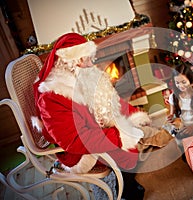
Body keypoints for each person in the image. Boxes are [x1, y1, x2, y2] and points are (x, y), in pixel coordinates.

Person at [32, 33, 146, 200]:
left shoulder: (85, 78)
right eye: (87, 60)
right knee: (128, 150)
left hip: (97, 130)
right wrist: (120, 136)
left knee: (135, 142)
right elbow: (75, 139)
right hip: (80, 151)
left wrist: (134, 116)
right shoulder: (52, 97)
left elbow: (112, 101)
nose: (92, 64)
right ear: (73, 62)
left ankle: (127, 183)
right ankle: (124, 191)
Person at [166, 62, 193, 148]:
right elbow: (173, 115)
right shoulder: (173, 97)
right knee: (182, 145)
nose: (181, 86)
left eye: (183, 82)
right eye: (177, 83)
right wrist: (171, 117)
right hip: (182, 125)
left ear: (190, 79)